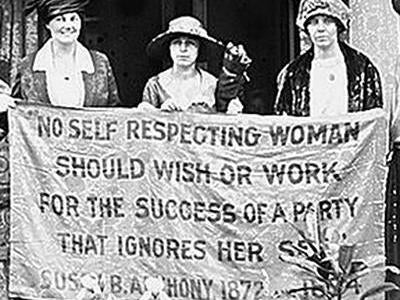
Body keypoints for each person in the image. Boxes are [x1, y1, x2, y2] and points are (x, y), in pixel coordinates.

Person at [274, 0, 382, 116]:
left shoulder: (363, 69)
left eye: (327, 21)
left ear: (337, 26)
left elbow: (374, 120)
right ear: (307, 28)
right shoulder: (293, 73)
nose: (321, 28)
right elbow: (283, 121)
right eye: (314, 22)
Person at [12, 0, 120, 108]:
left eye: (73, 19)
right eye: (60, 20)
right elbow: (15, 113)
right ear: (48, 24)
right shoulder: (27, 66)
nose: (68, 26)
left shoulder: (100, 63)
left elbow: (114, 113)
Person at [138, 16, 243, 113]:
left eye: (190, 43)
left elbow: (223, 121)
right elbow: (142, 125)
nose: (183, 49)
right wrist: (159, 112)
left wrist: (232, 110)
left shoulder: (213, 85)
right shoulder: (155, 85)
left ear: (198, 49)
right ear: (169, 48)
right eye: (177, 43)